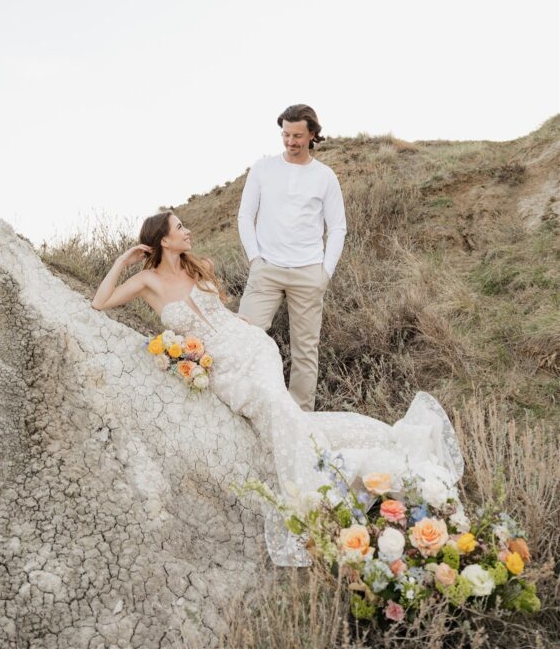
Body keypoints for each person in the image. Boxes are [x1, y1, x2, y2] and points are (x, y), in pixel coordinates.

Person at [91, 211, 464, 567]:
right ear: (164, 239)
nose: (188, 231)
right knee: (279, 411)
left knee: (275, 403)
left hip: (252, 347)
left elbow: (218, 313)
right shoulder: (148, 282)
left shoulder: (198, 266)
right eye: (180, 226)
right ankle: (360, 454)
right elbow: (100, 302)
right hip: (222, 366)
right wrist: (124, 260)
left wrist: (237, 321)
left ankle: (317, 494)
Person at [237, 104, 347, 411]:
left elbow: (337, 227)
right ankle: (245, 406)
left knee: (305, 352)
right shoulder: (263, 168)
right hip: (266, 269)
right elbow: (246, 215)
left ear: (312, 134)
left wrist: (325, 273)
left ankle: (300, 420)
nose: (290, 141)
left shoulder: (325, 177)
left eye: (298, 135)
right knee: (245, 338)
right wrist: (254, 259)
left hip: (308, 272)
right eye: (285, 134)